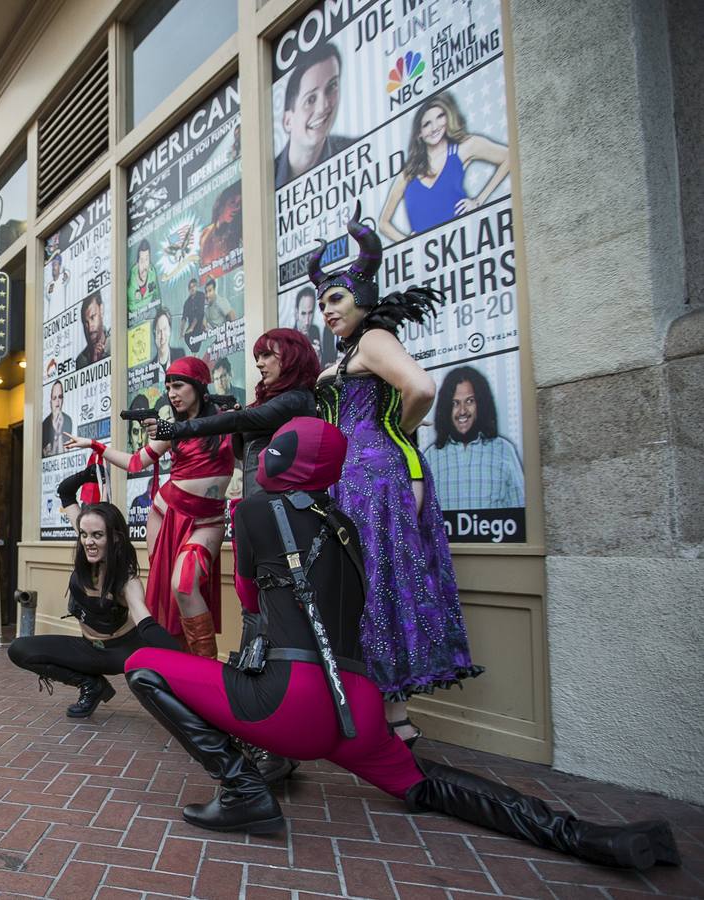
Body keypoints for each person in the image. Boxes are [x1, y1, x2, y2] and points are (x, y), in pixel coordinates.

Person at [121, 418, 679, 872]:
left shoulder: (256, 512)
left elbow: (247, 595)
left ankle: (242, 791)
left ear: (287, 457)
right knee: (427, 783)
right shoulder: (346, 525)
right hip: (357, 703)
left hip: (290, 698)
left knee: (145, 665)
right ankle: (586, 837)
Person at [311, 206, 481, 744]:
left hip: (378, 477)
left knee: (380, 582)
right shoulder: (348, 352)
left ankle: (397, 722)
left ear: (362, 297)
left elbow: (423, 389)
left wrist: (396, 434)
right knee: (361, 587)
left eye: (335, 297)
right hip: (350, 480)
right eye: (321, 302)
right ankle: (375, 714)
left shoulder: (376, 340)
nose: (326, 309)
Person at [144, 328, 320, 782]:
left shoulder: (296, 400)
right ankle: (244, 721)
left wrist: (180, 427)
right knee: (255, 625)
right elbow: (243, 447)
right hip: (254, 523)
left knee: (277, 626)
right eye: (258, 356)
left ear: (293, 358)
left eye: (269, 356)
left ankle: (274, 737)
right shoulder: (267, 406)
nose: (259, 363)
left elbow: (231, 431)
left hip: (281, 528)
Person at [65, 356, 232, 657]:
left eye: (178, 385)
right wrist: (95, 445)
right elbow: (134, 462)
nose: (172, 393)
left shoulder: (228, 423)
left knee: (183, 584)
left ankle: (205, 667)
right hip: (166, 514)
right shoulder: (173, 431)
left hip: (207, 521)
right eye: (168, 387)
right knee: (167, 593)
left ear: (198, 386)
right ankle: (178, 664)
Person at [8, 498, 178, 718]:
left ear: (115, 538)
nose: (88, 541)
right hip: (89, 649)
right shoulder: (86, 553)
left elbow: (146, 624)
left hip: (123, 653)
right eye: (84, 534)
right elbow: (66, 492)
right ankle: (91, 684)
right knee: (19, 649)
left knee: (159, 690)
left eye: (97, 535)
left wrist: (184, 662)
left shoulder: (127, 581)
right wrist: (91, 471)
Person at [378, 92, 511, 241]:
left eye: (440, 117)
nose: (435, 127)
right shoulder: (407, 175)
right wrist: (408, 243)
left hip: (463, 245)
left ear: (447, 117)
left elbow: (508, 156)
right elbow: (383, 223)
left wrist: (479, 200)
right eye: (427, 124)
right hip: (428, 259)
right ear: (419, 134)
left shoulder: (463, 148)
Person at [425, 367, 524, 509]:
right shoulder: (431, 456)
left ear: (480, 404)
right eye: (455, 403)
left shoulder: (503, 450)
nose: (463, 411)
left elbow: (520, 508)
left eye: (470, 401)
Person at [275, 41, 356, 187]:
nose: (323, 107)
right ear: (288, 121)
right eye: (310, 99)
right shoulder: (268, 182)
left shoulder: (354, 155)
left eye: (332, 87)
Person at [74, 292, 109, 369]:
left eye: (93, 317)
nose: (90, 329)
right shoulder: (81, 361)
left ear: (101, 310)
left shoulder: (115, 343)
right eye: (86, 323)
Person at [127, 239, 161, 315]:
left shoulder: (152, 272)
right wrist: (148, 303)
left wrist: (159, 311)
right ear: (137, 263)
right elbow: (132, 308)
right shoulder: (131, 285)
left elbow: (157, 295)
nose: (145, 265)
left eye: (147, 259)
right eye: (142, 261)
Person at [41, 379, 73, 458]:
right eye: (54, 398)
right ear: (50, 402)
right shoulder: (44, 425)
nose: (57, 402)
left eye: (60, 397)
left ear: (63, 399)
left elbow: (66, 452)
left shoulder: (68, 420)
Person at [180, 279, 206, 353]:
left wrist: (192, 327)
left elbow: (199, 312)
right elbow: (184, 318)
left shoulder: (201, 295)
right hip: (192, 328)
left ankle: (195, 353)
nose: (192, 288)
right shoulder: (187, 303)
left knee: (198, 334)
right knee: (187, 336)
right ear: (188, 290)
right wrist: (181, 332)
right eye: (190, 287)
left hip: (201, 323)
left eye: (194, 286)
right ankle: (194, 353)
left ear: (196, 286)